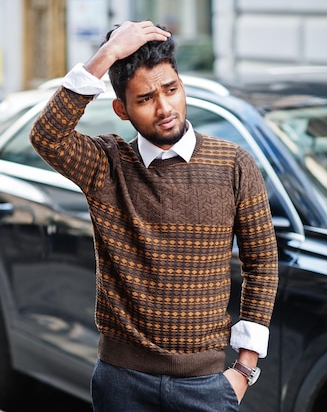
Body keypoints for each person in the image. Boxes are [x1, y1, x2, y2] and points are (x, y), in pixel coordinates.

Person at [29, 21, 279, 412]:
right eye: (145, 99)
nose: (164, 108)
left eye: (171, 90)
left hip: (207, 386)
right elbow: (47, 135)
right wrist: (107, 55)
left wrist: (243, 370)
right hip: (121, 383)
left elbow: (262, 264)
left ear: (182, 85)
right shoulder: (106, 166)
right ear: (121, 110)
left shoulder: (234, 165)